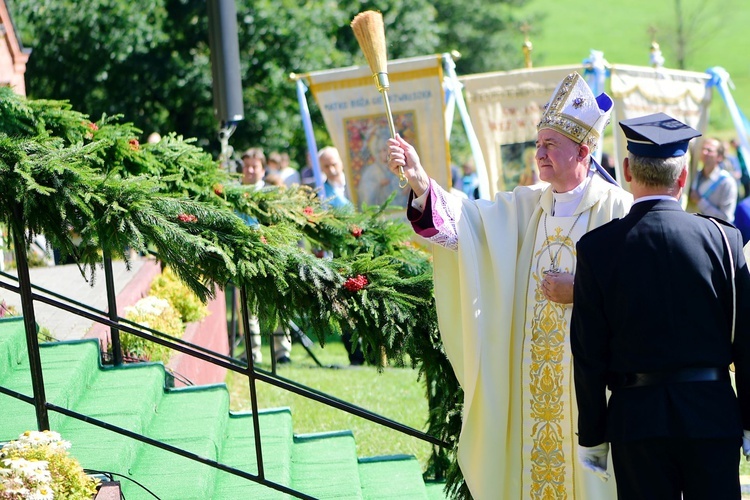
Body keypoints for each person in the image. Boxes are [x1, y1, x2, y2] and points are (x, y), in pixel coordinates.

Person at [386, 72, 632, 499]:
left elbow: (641, 291)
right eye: (538, 144)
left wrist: (584, 291)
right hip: (531, 386)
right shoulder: (527, 205)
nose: (539, 154)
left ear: (584, 151)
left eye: (550, 145)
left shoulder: (618, 209)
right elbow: (468, 228)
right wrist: (421, 183)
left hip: (593, 388)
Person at [571, 112, 750, 499]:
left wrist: (593, 436)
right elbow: (747, 341)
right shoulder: (723, 241)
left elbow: (588, 355)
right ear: (684, 176)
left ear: (627, 170)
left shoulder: (597, 248)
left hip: (636, 423)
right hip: (712, 416)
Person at [238, 148, 293, 364]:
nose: (250, 171)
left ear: (262, 169)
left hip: (271, 256)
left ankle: (282, 351)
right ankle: (252, 352)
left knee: (278, 302)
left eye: (255, 166)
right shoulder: (234, 195)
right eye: (247, 166)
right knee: (248, 306)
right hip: (244, 257)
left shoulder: (272, 194)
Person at [689, 137, 737, 222]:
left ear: (719, 157)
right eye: (703, 149)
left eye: (709, 150)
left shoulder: (727, 182)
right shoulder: (695, 175)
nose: (704, 152)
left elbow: (726, 218)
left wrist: (700, 201)